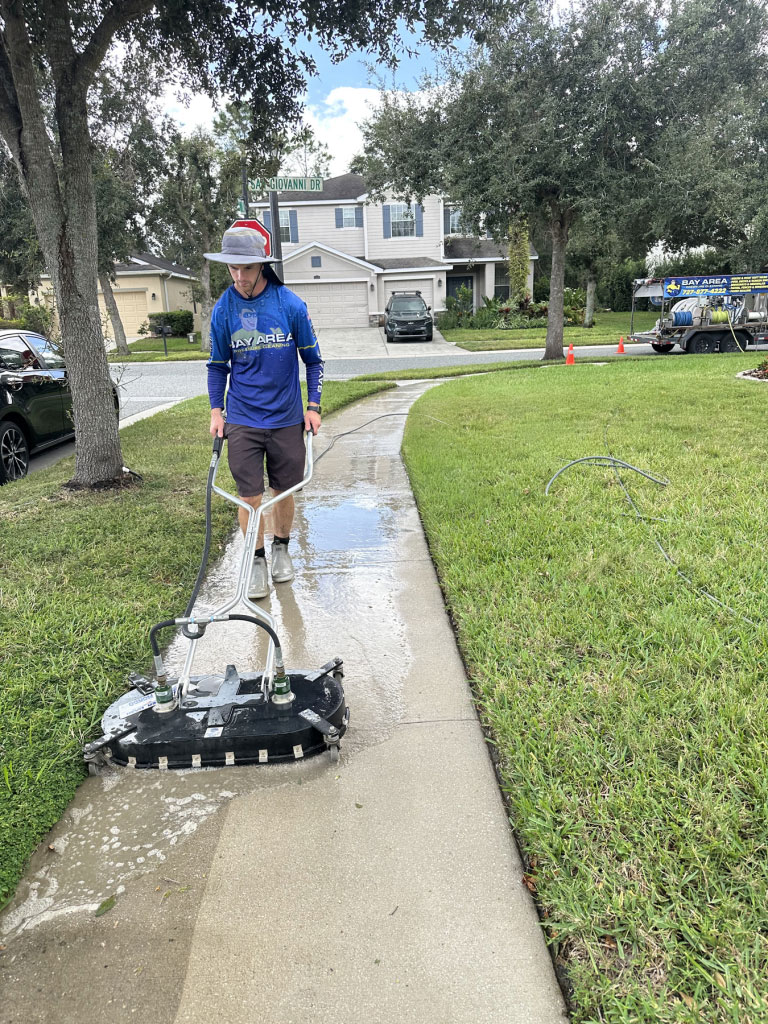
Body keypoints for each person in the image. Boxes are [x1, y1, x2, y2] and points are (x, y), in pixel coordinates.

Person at [204, 226, 323, 599]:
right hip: (242, 419)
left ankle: (281, 550)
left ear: (262, 266)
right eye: (233, 269)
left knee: (282, 490)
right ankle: (256, 562)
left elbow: (314, 362)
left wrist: (313, 406)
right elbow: (216, 365)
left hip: (287, 418)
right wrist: (216, 411)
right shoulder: (224, 309)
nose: (240, 277)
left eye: (247, 268)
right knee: (249, 496)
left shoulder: (290, 306)